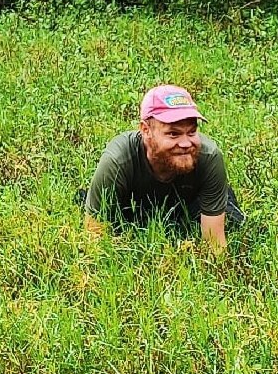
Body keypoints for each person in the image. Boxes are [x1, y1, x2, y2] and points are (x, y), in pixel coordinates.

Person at [83, 84, 245, 250]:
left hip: (188, 203)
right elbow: (95, 244)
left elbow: (215, 245)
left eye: (191, 132)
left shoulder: (209, 157)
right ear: (146, 130)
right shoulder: (118, 161)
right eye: (173, 133)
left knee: (233, 222)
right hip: (133, 205)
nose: (185, 143)